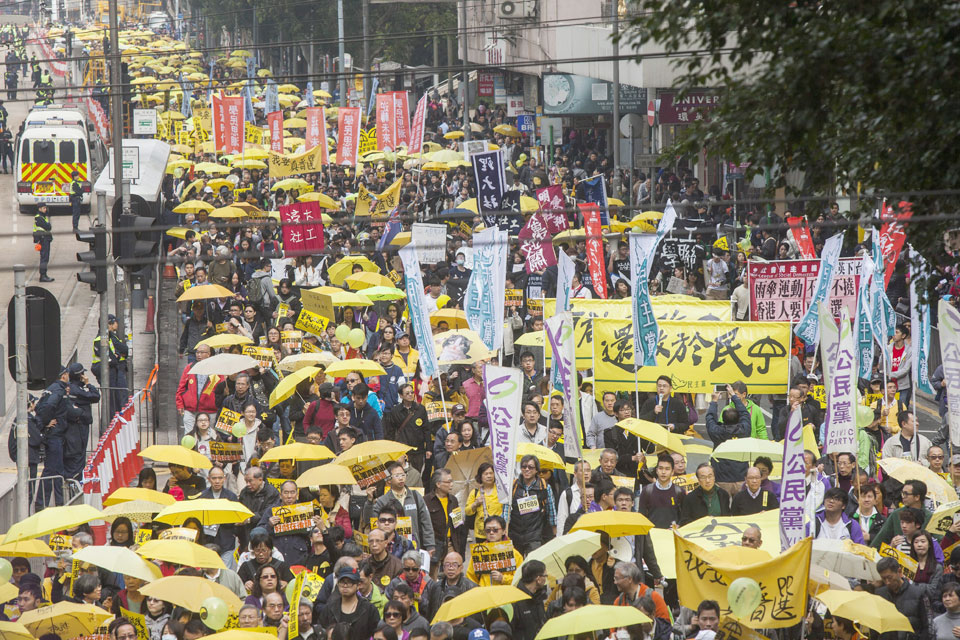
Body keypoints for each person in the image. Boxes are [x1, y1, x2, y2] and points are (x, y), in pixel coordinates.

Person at [369, 461, 436, 554]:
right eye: (397, 476)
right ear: (389, 480)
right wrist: (369, 501)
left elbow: (426, 521)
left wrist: (430, 545)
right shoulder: (382, 501)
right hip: (390, 547)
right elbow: (373, 522)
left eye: (403, 475)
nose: (401, 478)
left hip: (413, 545)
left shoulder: (416, 496)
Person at [706, 387, 751, 496]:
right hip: (741, 477)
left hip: (721, 478)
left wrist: (714, 401)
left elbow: (710, 419)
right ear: (738, 419)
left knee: (722, 509)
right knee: (740, 509)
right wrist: (734, 397)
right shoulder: (744, 430)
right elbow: (745, 414)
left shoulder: (717, 432)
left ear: (723, 419)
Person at [507, 454, 556, 555]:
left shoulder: (544, 487)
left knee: (533, 566)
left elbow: (551, 510)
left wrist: (554, 532)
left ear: (537, 470)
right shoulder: (513, 485)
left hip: (535, 535)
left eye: (530, 467)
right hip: (515, 534)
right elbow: (506, 509)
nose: (527, 469)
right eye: (524, 467)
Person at [318, 566, 382, 640]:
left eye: (349, 582)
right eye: (342, 582)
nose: (345, 585)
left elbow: (376, 634)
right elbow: (321, 632)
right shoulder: (329, 608)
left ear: (358, 585)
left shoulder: (369, 609)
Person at [876, 556, 930, 640]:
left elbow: (927, 625)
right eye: (883, 578)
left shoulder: (918, 592)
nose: (887, 582)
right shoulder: (880, 594)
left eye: (890, 577)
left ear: (899, 572)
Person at [465, 515, 524, 586]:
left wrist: (503, 579)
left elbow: (520, 579)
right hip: (485, 594)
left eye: (495, 530)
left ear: (504, 531)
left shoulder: (515, 554)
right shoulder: (479, 553)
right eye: (488, 530)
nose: (491, 533)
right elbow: (471, 577)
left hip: (506, 594)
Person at [92, 314, 130, 419]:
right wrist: (116, 358)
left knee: (115, 398)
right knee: (111, 400)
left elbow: (122, 350)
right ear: (109, 324)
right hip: (106, 372)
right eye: (115, 322)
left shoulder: (109, 337)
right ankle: (109, 423)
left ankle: (114, 420)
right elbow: (110, 358)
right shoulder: (101, 339)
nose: (117, 324)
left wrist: (116, 357)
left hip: (112, 371)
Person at [421, 552, 476, 623]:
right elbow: (431, 613)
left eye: (455, 565)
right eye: (447, 565)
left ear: (461, 567)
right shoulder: (436, 587)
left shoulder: (471, 587)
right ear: (443, 567)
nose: (451, 568)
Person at [425, 468, 467, 560]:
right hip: (434, 545)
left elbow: (458, 524)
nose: (451, 485)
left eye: (452, 481)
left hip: (450, 544)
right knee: (434, 573)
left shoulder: (453, 500)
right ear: (438, 484)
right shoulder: (426, 501)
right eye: (448, 482)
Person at [637, 453, 685, 528]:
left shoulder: (679, 492)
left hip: (672, 536)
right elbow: (641, 516)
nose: (663, 472)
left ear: (672, 472)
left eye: (667, 469)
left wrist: (679, 526)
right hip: (652, 536)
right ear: (656, 470)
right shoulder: (647, 491)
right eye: (661, 468)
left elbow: (684, 516)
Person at [512, 560, 548, 640]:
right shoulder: (516, 601)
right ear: (538, 579)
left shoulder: (539, 596)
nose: (546, 579)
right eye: (545, 576)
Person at [888, 324, 913, 407]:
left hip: (902, 386)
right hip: (888, 384)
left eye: (896, 332)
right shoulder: (888, 348)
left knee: (901, 408)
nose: (893, 334)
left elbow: (906, 369)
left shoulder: (909, 351)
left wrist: (891, 375)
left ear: (903, 335)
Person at [34, 202, 53, 282]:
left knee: (45, 258)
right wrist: (48, 225)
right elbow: (47, 226)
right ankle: (43, 275)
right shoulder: (39, 218)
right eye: (44, 208)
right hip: (43, 239)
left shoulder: (42, 216)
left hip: (45, 239)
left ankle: (44, 274)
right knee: (44, 258)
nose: (45, 209)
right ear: (40, 209)